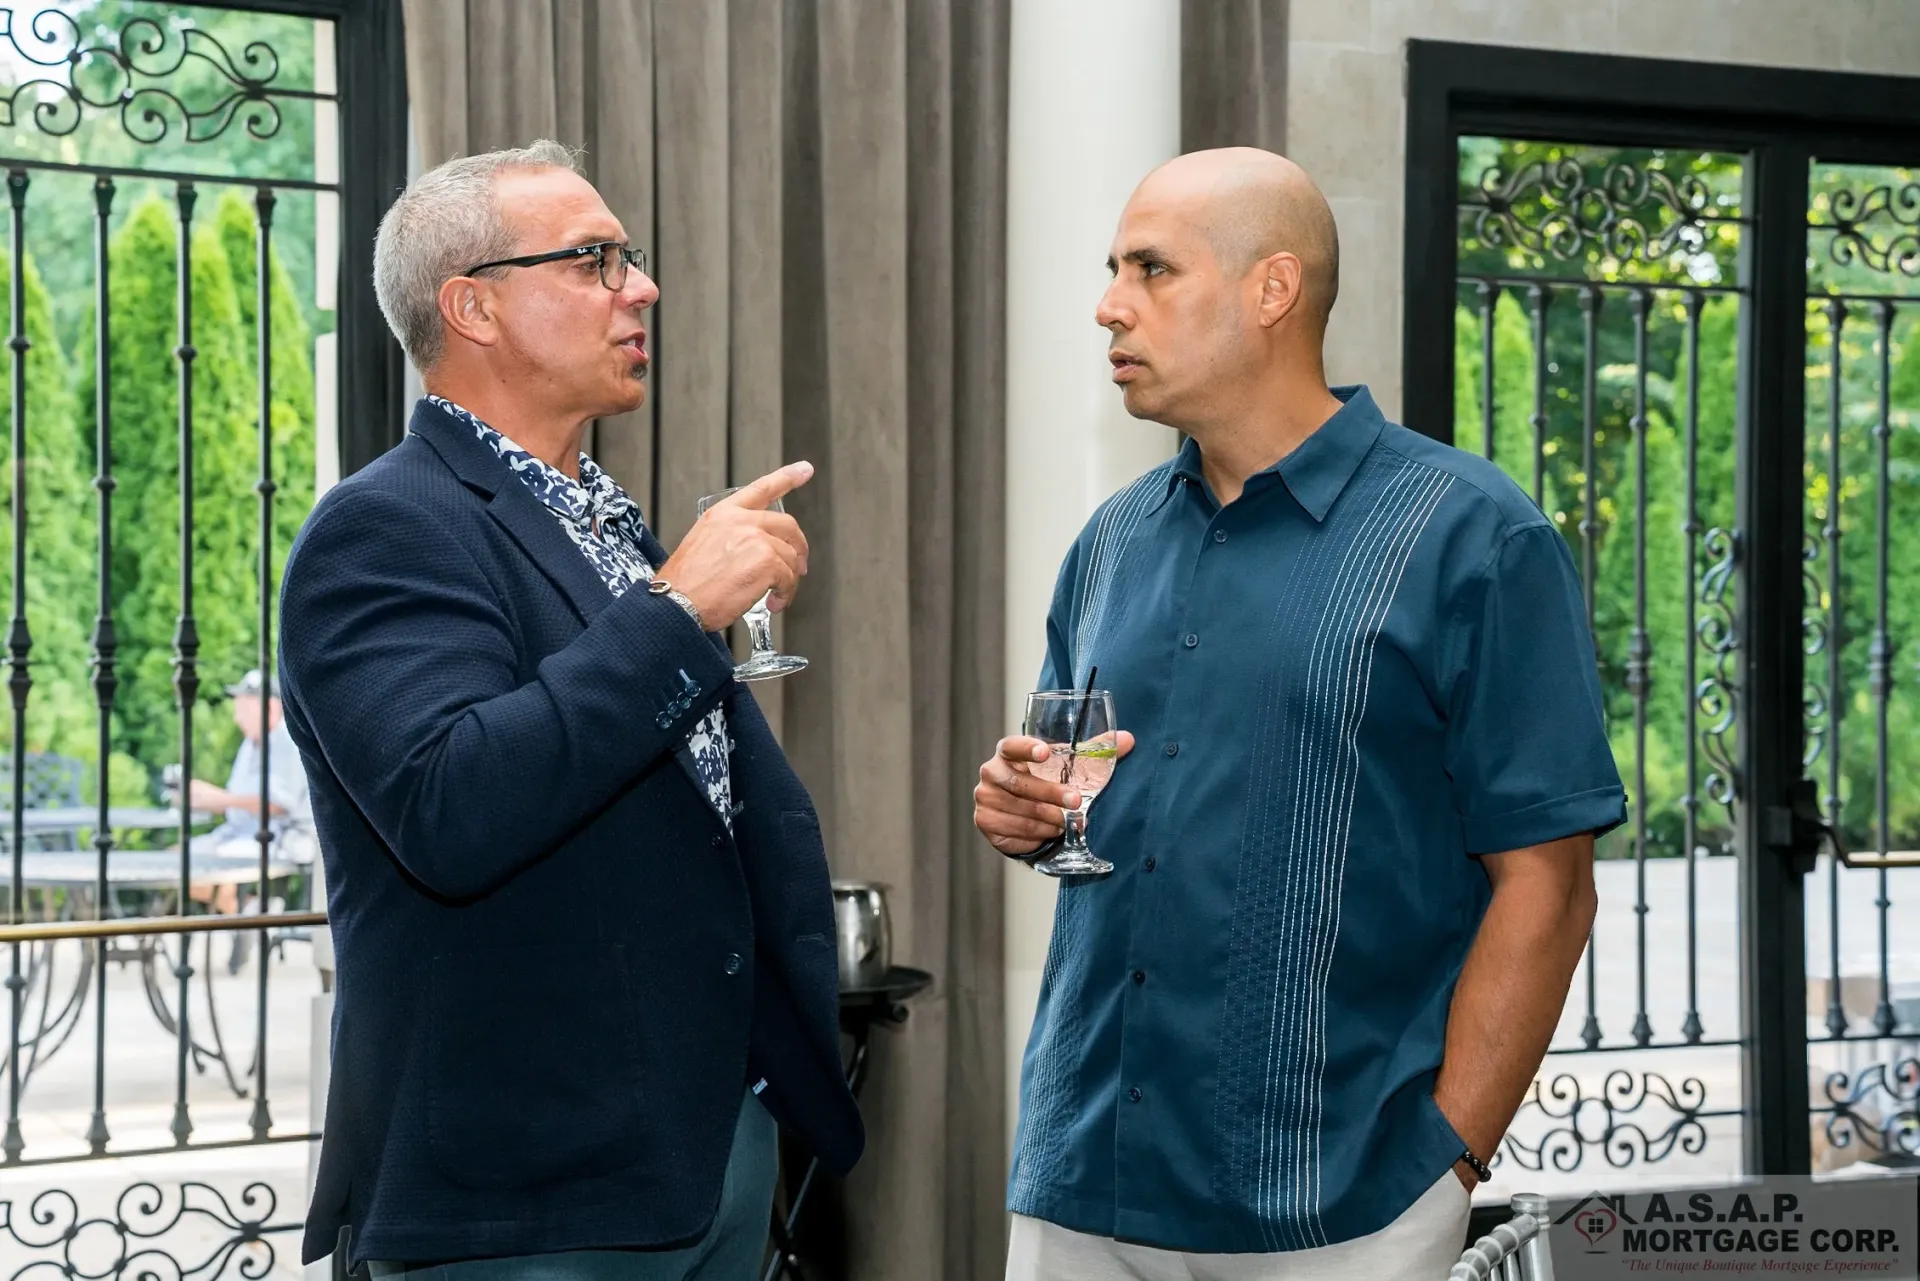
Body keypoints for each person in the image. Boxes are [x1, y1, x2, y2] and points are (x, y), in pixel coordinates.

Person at [974, 147, 1625, 1279]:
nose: (1107, 304)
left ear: (1272, 291)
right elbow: (1088, 817)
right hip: (1086, 1178)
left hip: (1343, 1202)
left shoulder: (1474, 536)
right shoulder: (1111, 543)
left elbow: (1550, 885)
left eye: (1151, 269)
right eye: (1112, 268)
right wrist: (1029, 813)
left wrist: (1449, 1158)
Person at [279, 140, 862, 1278]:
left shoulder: (604, 520)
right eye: (595, 260)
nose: (641, 287)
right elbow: (453, 805)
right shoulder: (384, 528)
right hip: (525, 1191)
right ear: (473, 308)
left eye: (630, 259)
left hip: (704, 1147)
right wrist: (678, 608)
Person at [182, 668, 317, 968]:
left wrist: (219, 799)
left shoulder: (285, 741)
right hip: (238, 833)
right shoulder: (251, 742)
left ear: (269, 707)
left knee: (211, 870)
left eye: (242, 706)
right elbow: (239, 800)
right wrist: (204, 801)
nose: (235, 715)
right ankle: (251, 914)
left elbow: (278, 805)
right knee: (178, 863)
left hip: (280, 837)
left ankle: (251, 919)